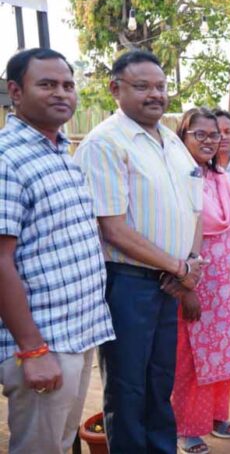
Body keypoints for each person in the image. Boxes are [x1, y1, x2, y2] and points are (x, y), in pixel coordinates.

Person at [74, 50, 206, 453]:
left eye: (161, 86)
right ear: (115, 89)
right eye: (143, 86)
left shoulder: (171, 140)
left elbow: (194, 208)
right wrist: (179, 267)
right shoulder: (105, 143)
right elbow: (112, 228)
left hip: (169, 283)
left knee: (159, 382)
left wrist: (190, 265)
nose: (156, 95)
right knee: (128, 387)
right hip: (128, 285)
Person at [0, 49, 114, 454]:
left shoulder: (59, 154)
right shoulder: (7, 160)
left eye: (68, 84)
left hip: (77, 333)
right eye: (47, 84)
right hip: (43, 341)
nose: (62, 93)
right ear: (16, 92)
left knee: (61, 443)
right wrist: (32, 349)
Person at [171, 108, 230, 454]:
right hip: (195, 283)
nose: (209, 141)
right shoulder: (178, 177)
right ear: (183, 136)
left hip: (225, 284)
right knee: (191, 360)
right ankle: (187, 427)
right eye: (200, 134)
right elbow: (175, 236)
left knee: (223, 353)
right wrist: (186, 289)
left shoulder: (219, 176)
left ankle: (218, 415)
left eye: (215, 134)